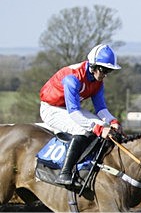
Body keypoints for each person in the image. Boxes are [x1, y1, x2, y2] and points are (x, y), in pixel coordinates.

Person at [39, 44, 123, 187]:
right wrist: (98, 129)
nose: (105, 74)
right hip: (51, 109)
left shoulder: (97, 82)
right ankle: (64, 173)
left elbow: (101, 108)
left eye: (109, 71)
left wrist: (112, 121)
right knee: (82, 129)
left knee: (104, 126)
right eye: (104, 70)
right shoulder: (73, 78)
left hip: (67, 108)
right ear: (93, 66)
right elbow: (74, 113)